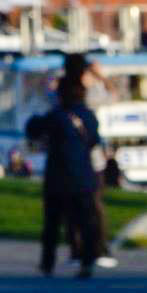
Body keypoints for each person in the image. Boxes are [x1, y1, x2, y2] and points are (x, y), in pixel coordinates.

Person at [25, 57, 105, 278]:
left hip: (58, 177)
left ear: (60, 94)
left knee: (52, 223)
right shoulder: (89, 116)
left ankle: (47, 262)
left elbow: (34, 130)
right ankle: (87, 261)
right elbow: (94, 141)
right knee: (86, 221)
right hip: (83, 176)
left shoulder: (56, 116)